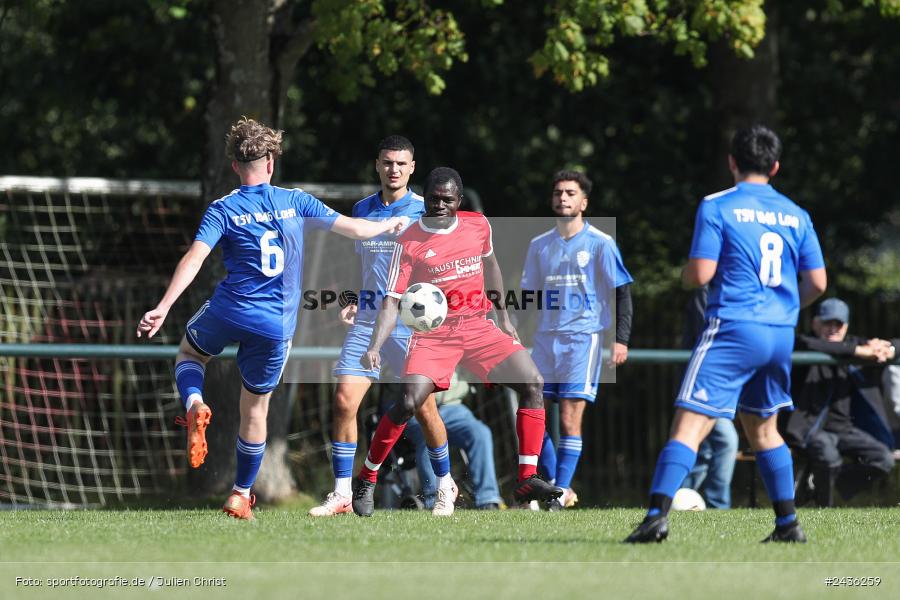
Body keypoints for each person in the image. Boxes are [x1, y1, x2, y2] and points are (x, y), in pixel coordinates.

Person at [136, 117, 409, 520]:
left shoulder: (223, 208)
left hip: (231, 308)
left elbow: (194, 258)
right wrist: (389, 223)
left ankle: (194, 401)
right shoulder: (295, 200)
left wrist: (163, 305)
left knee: (190, 356)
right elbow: (354, 229)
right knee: (255, 410)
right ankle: (241, 494)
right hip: (275, 325)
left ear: (234, 166)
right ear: (271, 162)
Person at [625, 125, 827, 543]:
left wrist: (685, 276)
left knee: (688, 424)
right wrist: (785, 308)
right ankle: (788, 524)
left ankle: (654, 519)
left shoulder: (718, 205)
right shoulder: (796, 213)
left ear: (732, 161)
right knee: (765, 429)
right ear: (775, 166)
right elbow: (819, 284)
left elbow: (701, 273)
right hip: (779, 335)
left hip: (734, 328)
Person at [352, 167, 563, 517]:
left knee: (533, 382)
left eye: (446, 200)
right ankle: (367, 478)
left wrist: (504, 316)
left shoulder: (477, 224)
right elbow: (391, 299)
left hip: (478, 327)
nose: (438, 205)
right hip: (433, 336)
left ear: (458, 201)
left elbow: (491, 266)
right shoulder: (409, 240)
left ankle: (527, 478)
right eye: (433, 199)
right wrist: (375, 346)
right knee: (407, 401)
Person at [309, 135, 449, 517]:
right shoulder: (362, 209)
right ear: (378, 165)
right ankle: (341, 493)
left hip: (411, 324)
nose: (394, 169)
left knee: (425, 410)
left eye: (401, 164)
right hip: (369, 321)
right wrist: (353, 299)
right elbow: (360, 265)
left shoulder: (426, 210)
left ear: (412, 168)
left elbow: (444, 264)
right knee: (343, 401)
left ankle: (444, 485)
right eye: (388, 162)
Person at [521, 170, 633, 510]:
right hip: (544, 340)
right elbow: (529, 299)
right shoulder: (539, 245)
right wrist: (509, 335)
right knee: (533, 413)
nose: (563, 198)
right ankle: (558, 488)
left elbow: (622, 294)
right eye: (558, 192)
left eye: (570, 193)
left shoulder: (600, 242)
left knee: (570, 418)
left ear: (584, 201)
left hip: (582, 339)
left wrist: (621, 339)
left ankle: (559, 491)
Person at [786, 298, 897, 506]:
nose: (833, 329)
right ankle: (824, 508)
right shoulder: (805, 344)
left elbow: (895, 345)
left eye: (839, 324)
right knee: (829, 456)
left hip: (845, 430)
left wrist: (887, 350)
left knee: (883, 459)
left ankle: (816, 484)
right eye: (827, 323)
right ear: (815, 324)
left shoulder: (855, 344)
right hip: (811, 429)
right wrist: (859, 351)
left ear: (846, 326)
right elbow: (806, 343)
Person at [404, 371, 503, 510]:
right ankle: (436, 500)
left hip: (453, 406)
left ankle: (487, 500)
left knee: (481, 433)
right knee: (428, 435)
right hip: (417, 408)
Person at [680, 287, 739, 509]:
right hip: (704, 381)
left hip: (720, 381)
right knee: (726, 440)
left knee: (704, 450)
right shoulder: (706, 292)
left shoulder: (732, 289)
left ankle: (677, 499)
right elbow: (711, 336)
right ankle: (719, 505)